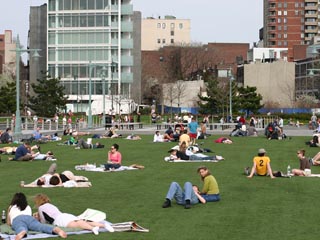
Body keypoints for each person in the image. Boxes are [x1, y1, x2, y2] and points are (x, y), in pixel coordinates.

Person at [33, 194, 114, 235]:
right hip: (65, 215)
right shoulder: (51, 205)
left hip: (59, 220)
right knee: (82, 221)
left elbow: (44, 221)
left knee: (77, 224)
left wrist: (38, 219)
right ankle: (103, 225)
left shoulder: (41, 208)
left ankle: (92, 229)